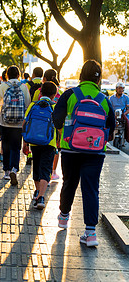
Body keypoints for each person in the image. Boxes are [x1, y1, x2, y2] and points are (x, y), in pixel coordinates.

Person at [52, 60, 115, 247]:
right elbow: (111, 130)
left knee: (69, 182)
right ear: (99, 79)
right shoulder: (104, 100)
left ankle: (64, 216)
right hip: (96, 152)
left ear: (81, 75)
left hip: (70, 148)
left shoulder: (70, 95)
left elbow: (56, 120)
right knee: (91, 188)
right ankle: (90, 233)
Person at [23, 81, 57, 209]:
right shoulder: (54, 107)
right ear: (54, 95)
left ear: (40, 93)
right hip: (49, 142)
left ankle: (37, 192)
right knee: (46, 169)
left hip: (34, 142)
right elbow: (59, 126)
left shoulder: (33, 105)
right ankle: (41, 196)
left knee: (36, 167)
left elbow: (25, 124)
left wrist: (25, 143)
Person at [0, 65, 30, 185]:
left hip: (5, 122)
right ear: (18, 75)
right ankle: (14, 169)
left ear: (7, 75)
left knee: (5, 146)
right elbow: (27, 104)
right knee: (16, 147)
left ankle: (6, 171)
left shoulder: (3, 86)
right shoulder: (24, 87)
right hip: (19, 123)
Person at [33, 69, 63, 180]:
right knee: (55, 150)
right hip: (53, 130)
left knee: (39, 156)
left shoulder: (38, 92)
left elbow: (33, 107)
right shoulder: (60, 93)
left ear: (44, 79)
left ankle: (39, 177)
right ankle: (53, 172)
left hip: (38, 129)